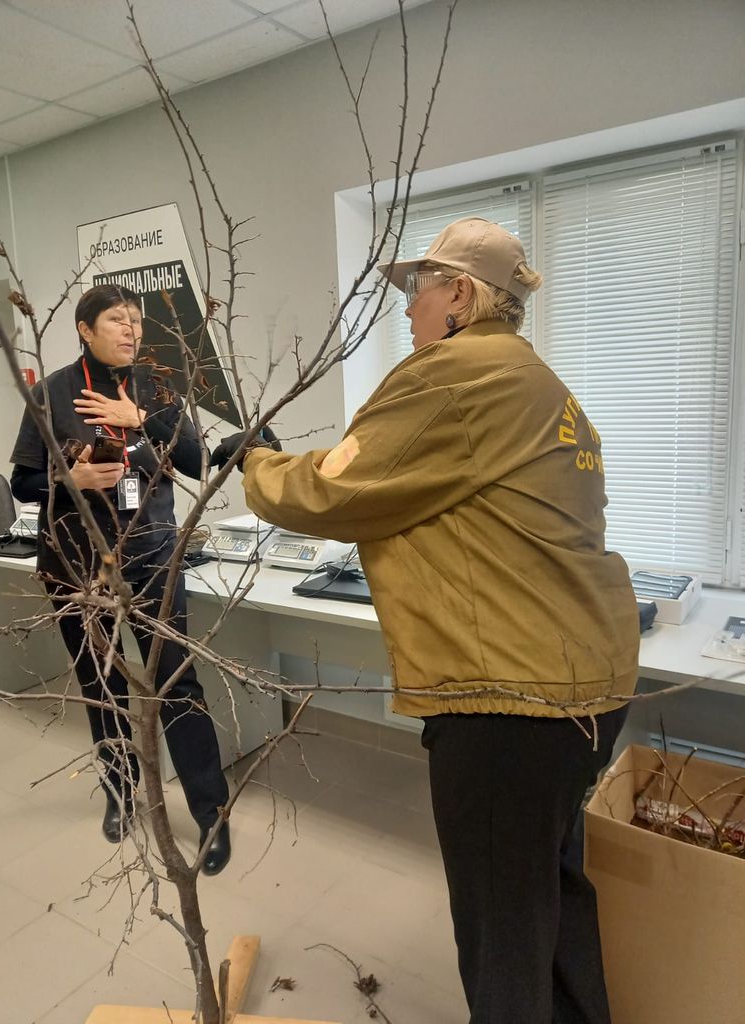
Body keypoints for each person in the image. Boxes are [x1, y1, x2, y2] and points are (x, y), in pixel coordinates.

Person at [212, 218, 640, 1022]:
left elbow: (335, 489)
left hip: (512, 699)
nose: (408, 310)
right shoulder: (543, 386)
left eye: (420, 289)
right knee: (549, 888)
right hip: (583, 684)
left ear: (463, 296)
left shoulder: (455, 373)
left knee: (500, 924)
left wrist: (251, 459)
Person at [10, 284, 230, 875]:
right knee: (100, 682)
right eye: (117, 320)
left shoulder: (156, 385)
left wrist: (141, 419)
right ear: (85, 329)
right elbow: (22, 483)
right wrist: (70, 483)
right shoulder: (51, 391)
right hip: (78, 563)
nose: (131, 330)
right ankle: (119, 790)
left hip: (152, 553)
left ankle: (211, 811)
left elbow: (195, 462)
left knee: (177, 683)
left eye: (135, 320)